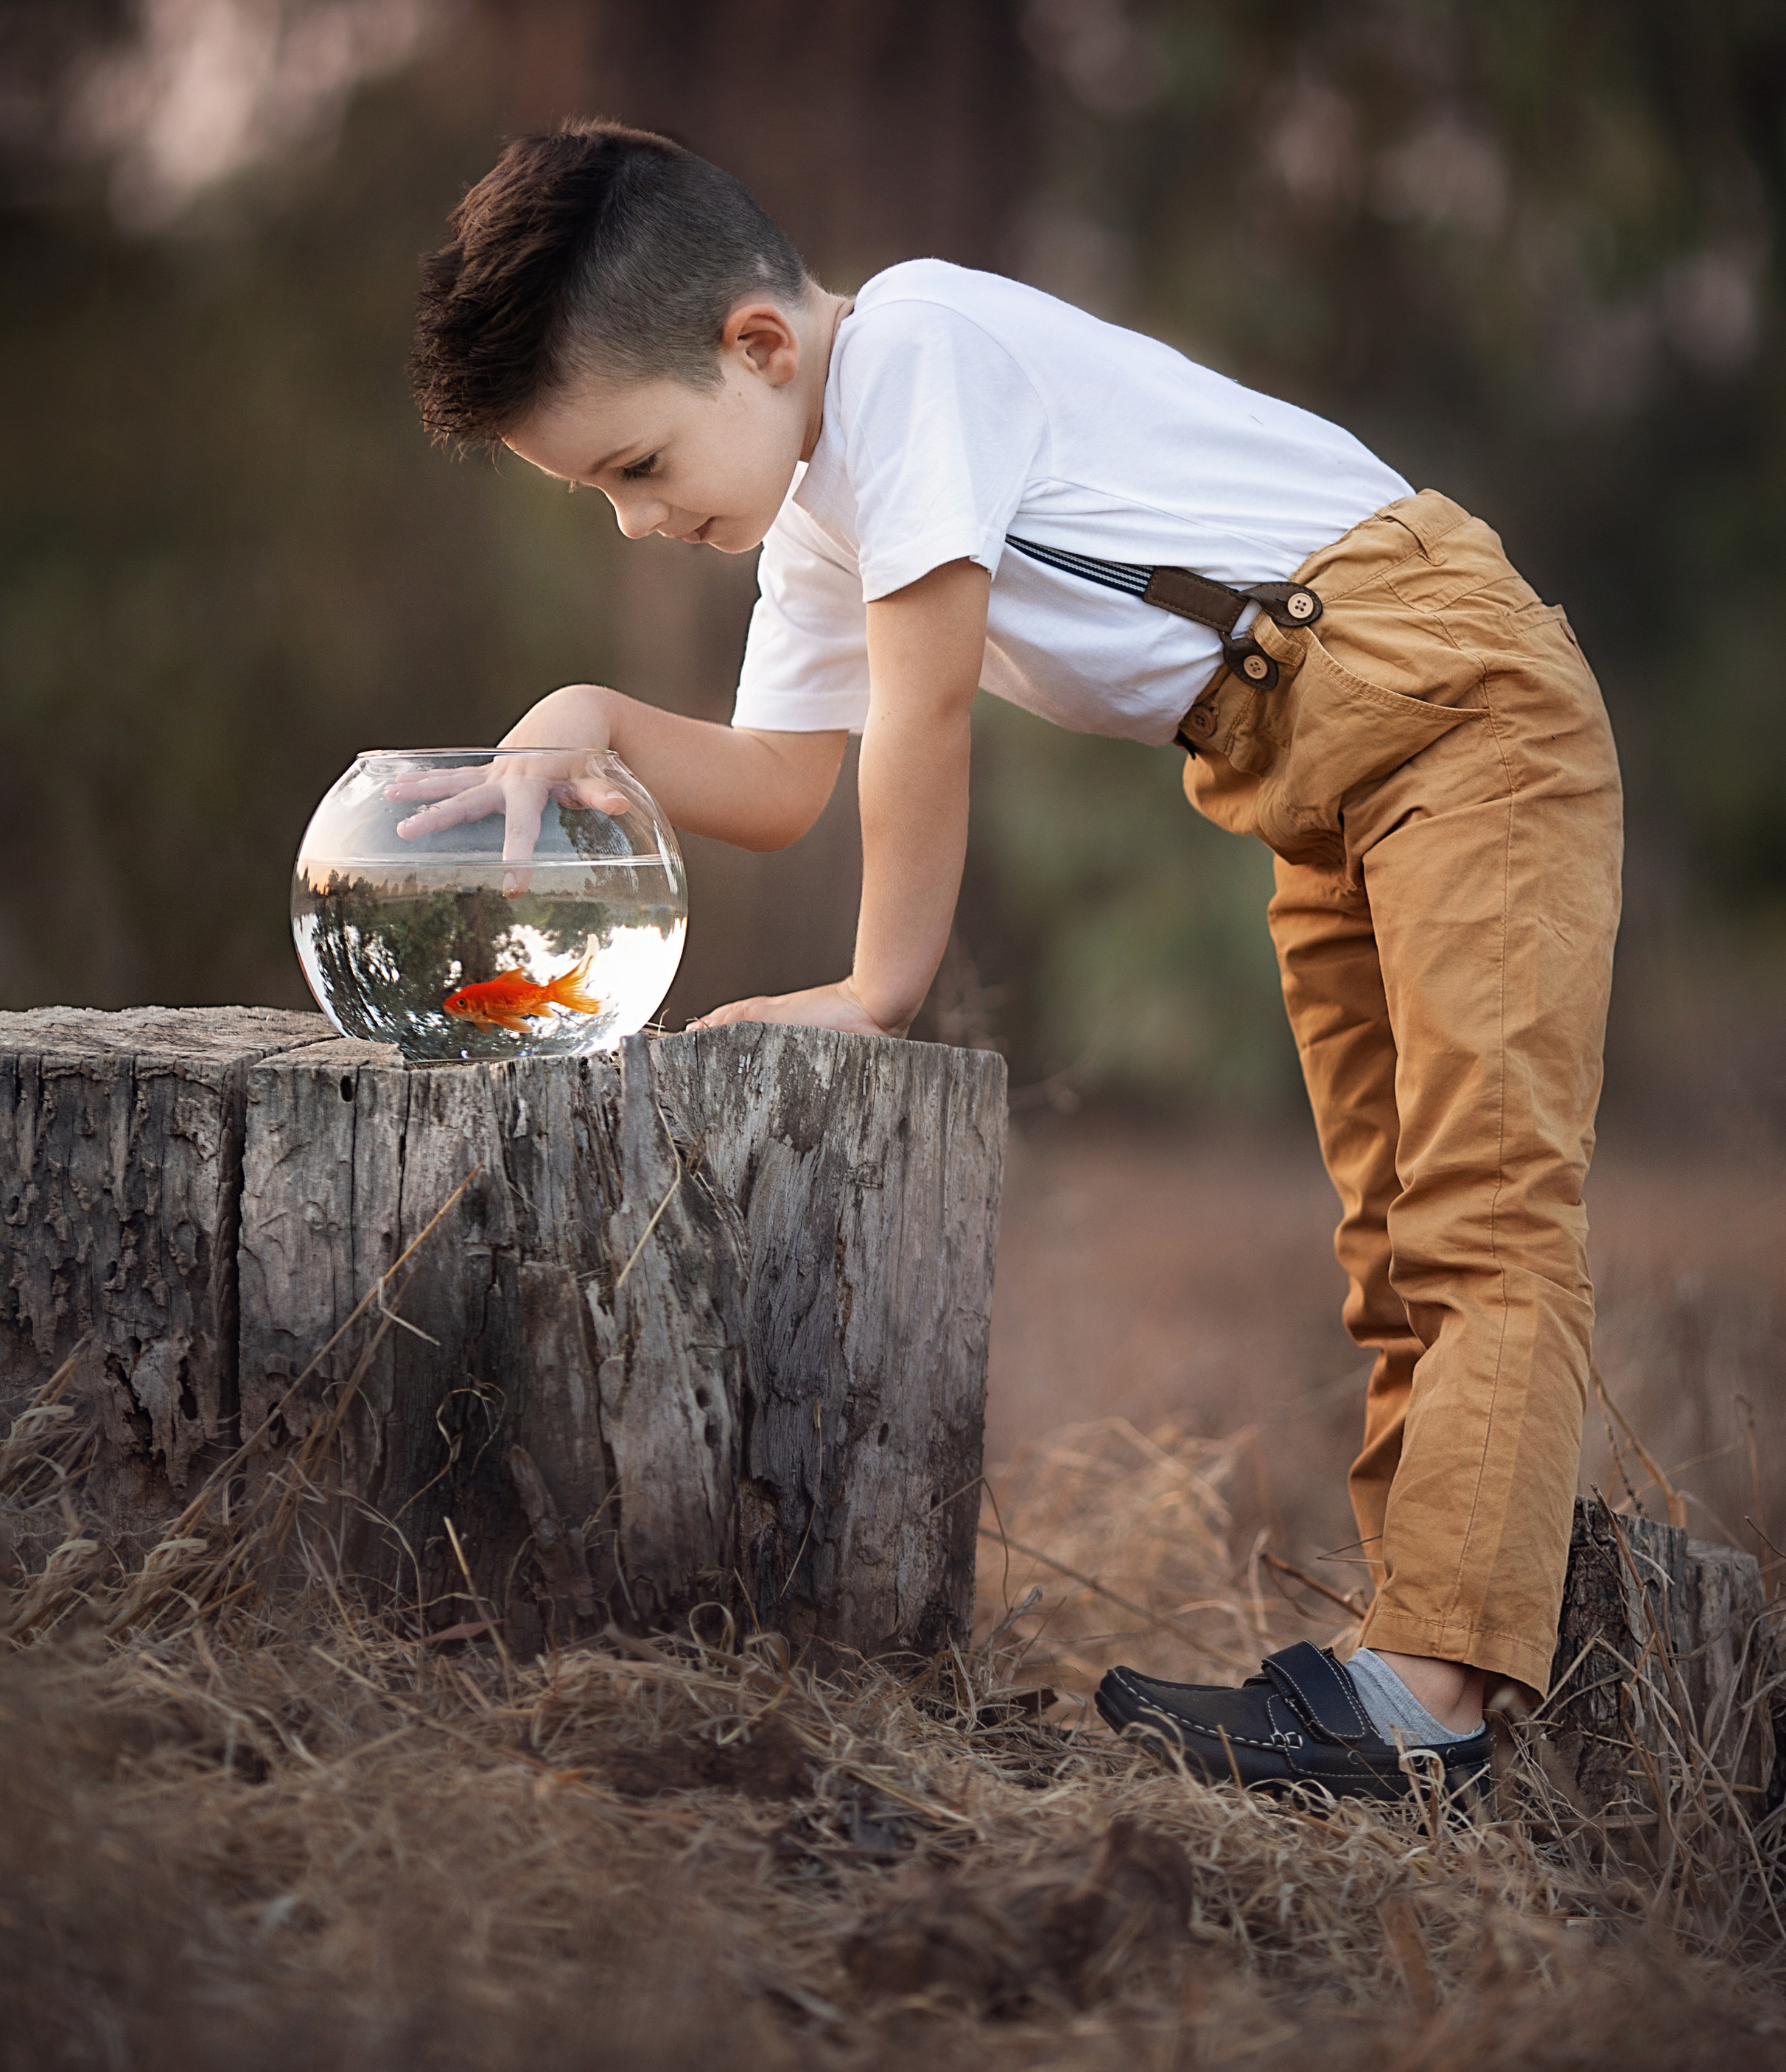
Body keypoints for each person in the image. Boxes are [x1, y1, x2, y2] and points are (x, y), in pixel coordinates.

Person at [404, 119, 1623, 1801]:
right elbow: (781, 783)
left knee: (1481, 1202)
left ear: (756, 345)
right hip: (1309, 773)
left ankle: (1431, 1692)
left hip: (1455, 696)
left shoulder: (913, 348)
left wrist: (878, 984)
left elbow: (920, 711)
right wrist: (589, 717)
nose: (633, 521)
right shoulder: (821, 513)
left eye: (636, 465)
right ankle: (1406, 1673)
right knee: (1392, 1226)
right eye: (600, 493)